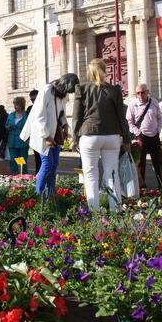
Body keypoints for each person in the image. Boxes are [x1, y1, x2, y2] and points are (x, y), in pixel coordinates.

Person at [71, 60, 130, 210]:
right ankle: (115, 210)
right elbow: (121, 117)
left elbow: (77, 117)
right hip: (112, 136)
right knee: (112, 174)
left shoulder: (82, 89)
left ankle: (94, 212)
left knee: (90, 176)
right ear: (105, 71)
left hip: (89, 135)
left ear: (90, 72)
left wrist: (74, 139)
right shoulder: (115, 90)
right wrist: (127, 139)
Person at [20, 73, 79, 195]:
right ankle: (39, 195)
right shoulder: (47, 90)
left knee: (53, 166)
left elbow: (61, 113)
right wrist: (46, 136)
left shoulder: (61, 95)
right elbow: (39, 115)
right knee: (47, 164)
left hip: (55, 134)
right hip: (43, 135)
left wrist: (65, 126)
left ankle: (51, 195)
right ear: (65, 85)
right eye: (69, 90)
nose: (69, 93)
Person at [126, 84, 162, 190]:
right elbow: (129, 122)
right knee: (140, 163)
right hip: (141, 136)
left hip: (154, 135)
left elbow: (159, 118)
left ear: (147, 92)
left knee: (158, 161)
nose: (140, 95)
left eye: (142, 92)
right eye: (138, 93)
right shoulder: (132, 104)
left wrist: (158, 130)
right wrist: (138, 132)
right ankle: (141, 188)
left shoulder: (154, 102)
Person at [5, 97, 29, 175]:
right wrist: (7, 127)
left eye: (17, 104)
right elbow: (6, 125)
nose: (15, 106)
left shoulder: (26, 115)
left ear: (22, 105)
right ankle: (14, 176)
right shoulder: (11, 115)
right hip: (12, 141)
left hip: (23, 141)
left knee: (23, 161)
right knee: (13, 161)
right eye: (14, 104)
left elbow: (30, 127)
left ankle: (24, 177)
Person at [26, 89, 42, 175]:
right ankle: (37, 176)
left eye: (35, 99)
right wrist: (28, 137)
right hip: (35, 137)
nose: (33, 101)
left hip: (44, 136)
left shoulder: (44, 106)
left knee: (45, 160)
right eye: (31, 99)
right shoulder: (30, 109)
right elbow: (28, 124)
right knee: (37, 159)